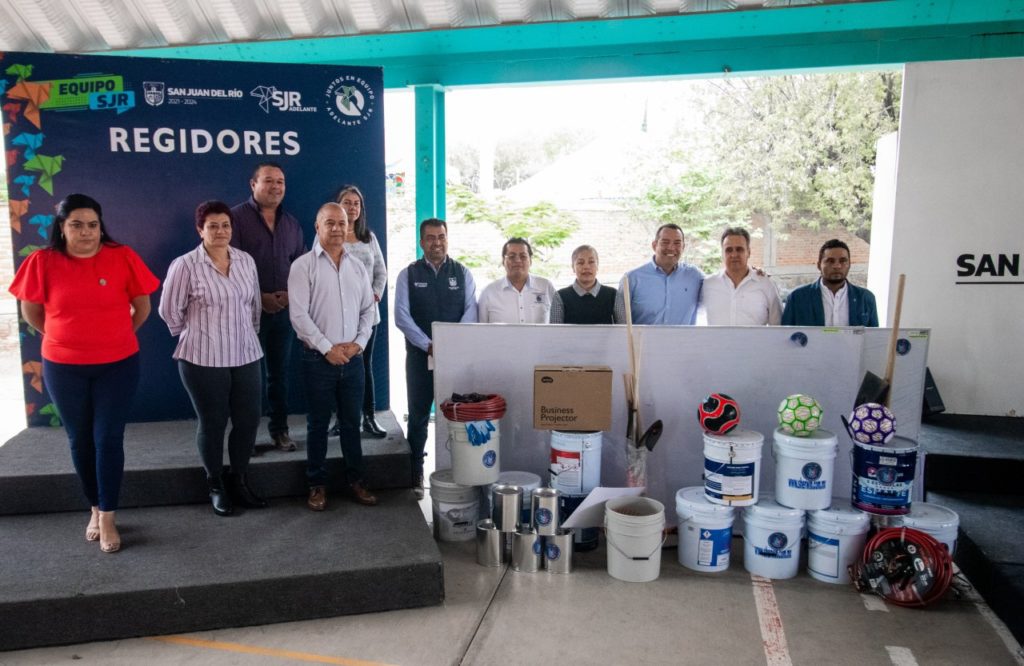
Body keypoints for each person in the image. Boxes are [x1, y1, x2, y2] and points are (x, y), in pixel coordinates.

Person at [9, 193, 159, 553]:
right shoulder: (42, 261)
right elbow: (31, 312)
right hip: (64, 368)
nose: (86, 231)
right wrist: (63, 338)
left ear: (100, 226)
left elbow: (142, 307)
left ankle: (108, 514)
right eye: (76, 224)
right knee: (79, 439)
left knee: (108, 438)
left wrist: (116, 337)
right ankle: (93, 506)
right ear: (62, 227)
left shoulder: (122, 256)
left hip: (118, 365)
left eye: (93, 224)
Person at [158, 201, 267, 517]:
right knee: (213, 422)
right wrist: (196, 332)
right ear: (200, 230)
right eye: (213, 226)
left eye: (226, 225)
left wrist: (247, 333)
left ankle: (239, 480)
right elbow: (169, 311)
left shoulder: (246, 261)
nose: (221, 231)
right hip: (202, 357)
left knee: (248, 420)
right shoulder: (185, 265)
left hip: (245, 353)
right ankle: (216, 484)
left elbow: (254, 307)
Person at [288, 203, 377, 510]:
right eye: (330, 223)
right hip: (317, 360)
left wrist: (359, 344)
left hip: (352, 359)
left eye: (342, 223)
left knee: (352, 423)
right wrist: (327, 348)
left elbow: (368, 310)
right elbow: (299, 316)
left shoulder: (358, 266)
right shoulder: (303, 266)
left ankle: (357, 481)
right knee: (318, 424)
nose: (337, 228)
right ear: (318, 227)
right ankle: (316, 485)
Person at [394, 219, 477, 498]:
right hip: (420, 359)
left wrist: (450, 344)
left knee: (458, 414)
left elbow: (471, 311)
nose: (436, 242)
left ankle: (462, 470)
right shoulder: (408, 274)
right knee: (418, 416)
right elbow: (401, 316)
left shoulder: (462, 273)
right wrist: (428, 345)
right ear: (421, 242)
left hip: (455, 359)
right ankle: (415, 473)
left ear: (447, 239)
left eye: (441, 237)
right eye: (430, 238)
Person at [231, 162, 306, 453]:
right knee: (246, 378)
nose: (276, 186)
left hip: (284, 313)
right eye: (269, 180)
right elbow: (229, 267)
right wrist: (260, 297)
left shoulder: (292, 224)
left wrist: (289, 296)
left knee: (279, 376)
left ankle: (280, 431)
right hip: (246, 313)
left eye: (280, 181)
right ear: (253, 185)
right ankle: (246, 437)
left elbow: (301, 266)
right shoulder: (235, 219)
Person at [329, 185, 388, 439]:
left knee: (364, 366)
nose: (352, 207)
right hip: (338, 316)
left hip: (367, 316)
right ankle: (341, 419)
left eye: (356, 203)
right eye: (347, 202)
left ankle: (369, 417)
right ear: (338, 205)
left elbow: (381, 272)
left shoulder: (368, 237)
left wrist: (374, 295)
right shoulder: (329, 236)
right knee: (339, 368)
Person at [615, 224, 703, 325]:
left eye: (677, 243)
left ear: (683, 247)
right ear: (654, 245)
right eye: (665, 242)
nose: (671, 248)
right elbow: (620, 323)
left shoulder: (695, 276)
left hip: (684, 336)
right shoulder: (631, 279)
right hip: (642, 336)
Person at [781, 238, 879, 327]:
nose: (837, 266)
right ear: (819, 265)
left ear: (849, 265)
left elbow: (875, 337)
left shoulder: (865, 298)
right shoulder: (797, 298)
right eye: (830, 261)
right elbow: (784, 336)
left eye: (843, 261)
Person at [700, 227, 782, 326]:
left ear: (749, 252)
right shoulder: (708, 284)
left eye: (739, 249)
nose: (734, 254)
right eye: (729, 250)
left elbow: (778, 326)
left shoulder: (766, 284)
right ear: (722, 254)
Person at [477, 237, 557, 323]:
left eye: (523, 256)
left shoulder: (545, 287)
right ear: (503, 261)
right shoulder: (488, 292)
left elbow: (558, 323)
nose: (518, 260)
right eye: (512, 256)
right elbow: (480, 328)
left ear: (530, 260)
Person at [549, 244, 616, 324]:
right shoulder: (560, 297)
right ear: (573, 267)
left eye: (591, 262)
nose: (586, 267)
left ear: (597, 266)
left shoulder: (613, 295)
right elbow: (555, 330)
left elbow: (624, 328)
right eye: (580, 263)